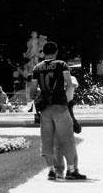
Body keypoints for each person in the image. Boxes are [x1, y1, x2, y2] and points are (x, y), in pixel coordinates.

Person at [30, 41, 87, 181]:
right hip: (60, 106)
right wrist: (64, 96)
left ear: (43, 52)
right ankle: (71, 171)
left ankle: (51, 171)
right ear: (56, 52)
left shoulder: (37, 68)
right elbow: (69, 83)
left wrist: (41, 96)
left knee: (47, 140)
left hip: (45, 109)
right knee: (66, 139)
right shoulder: (61, 64)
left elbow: (32, 91)